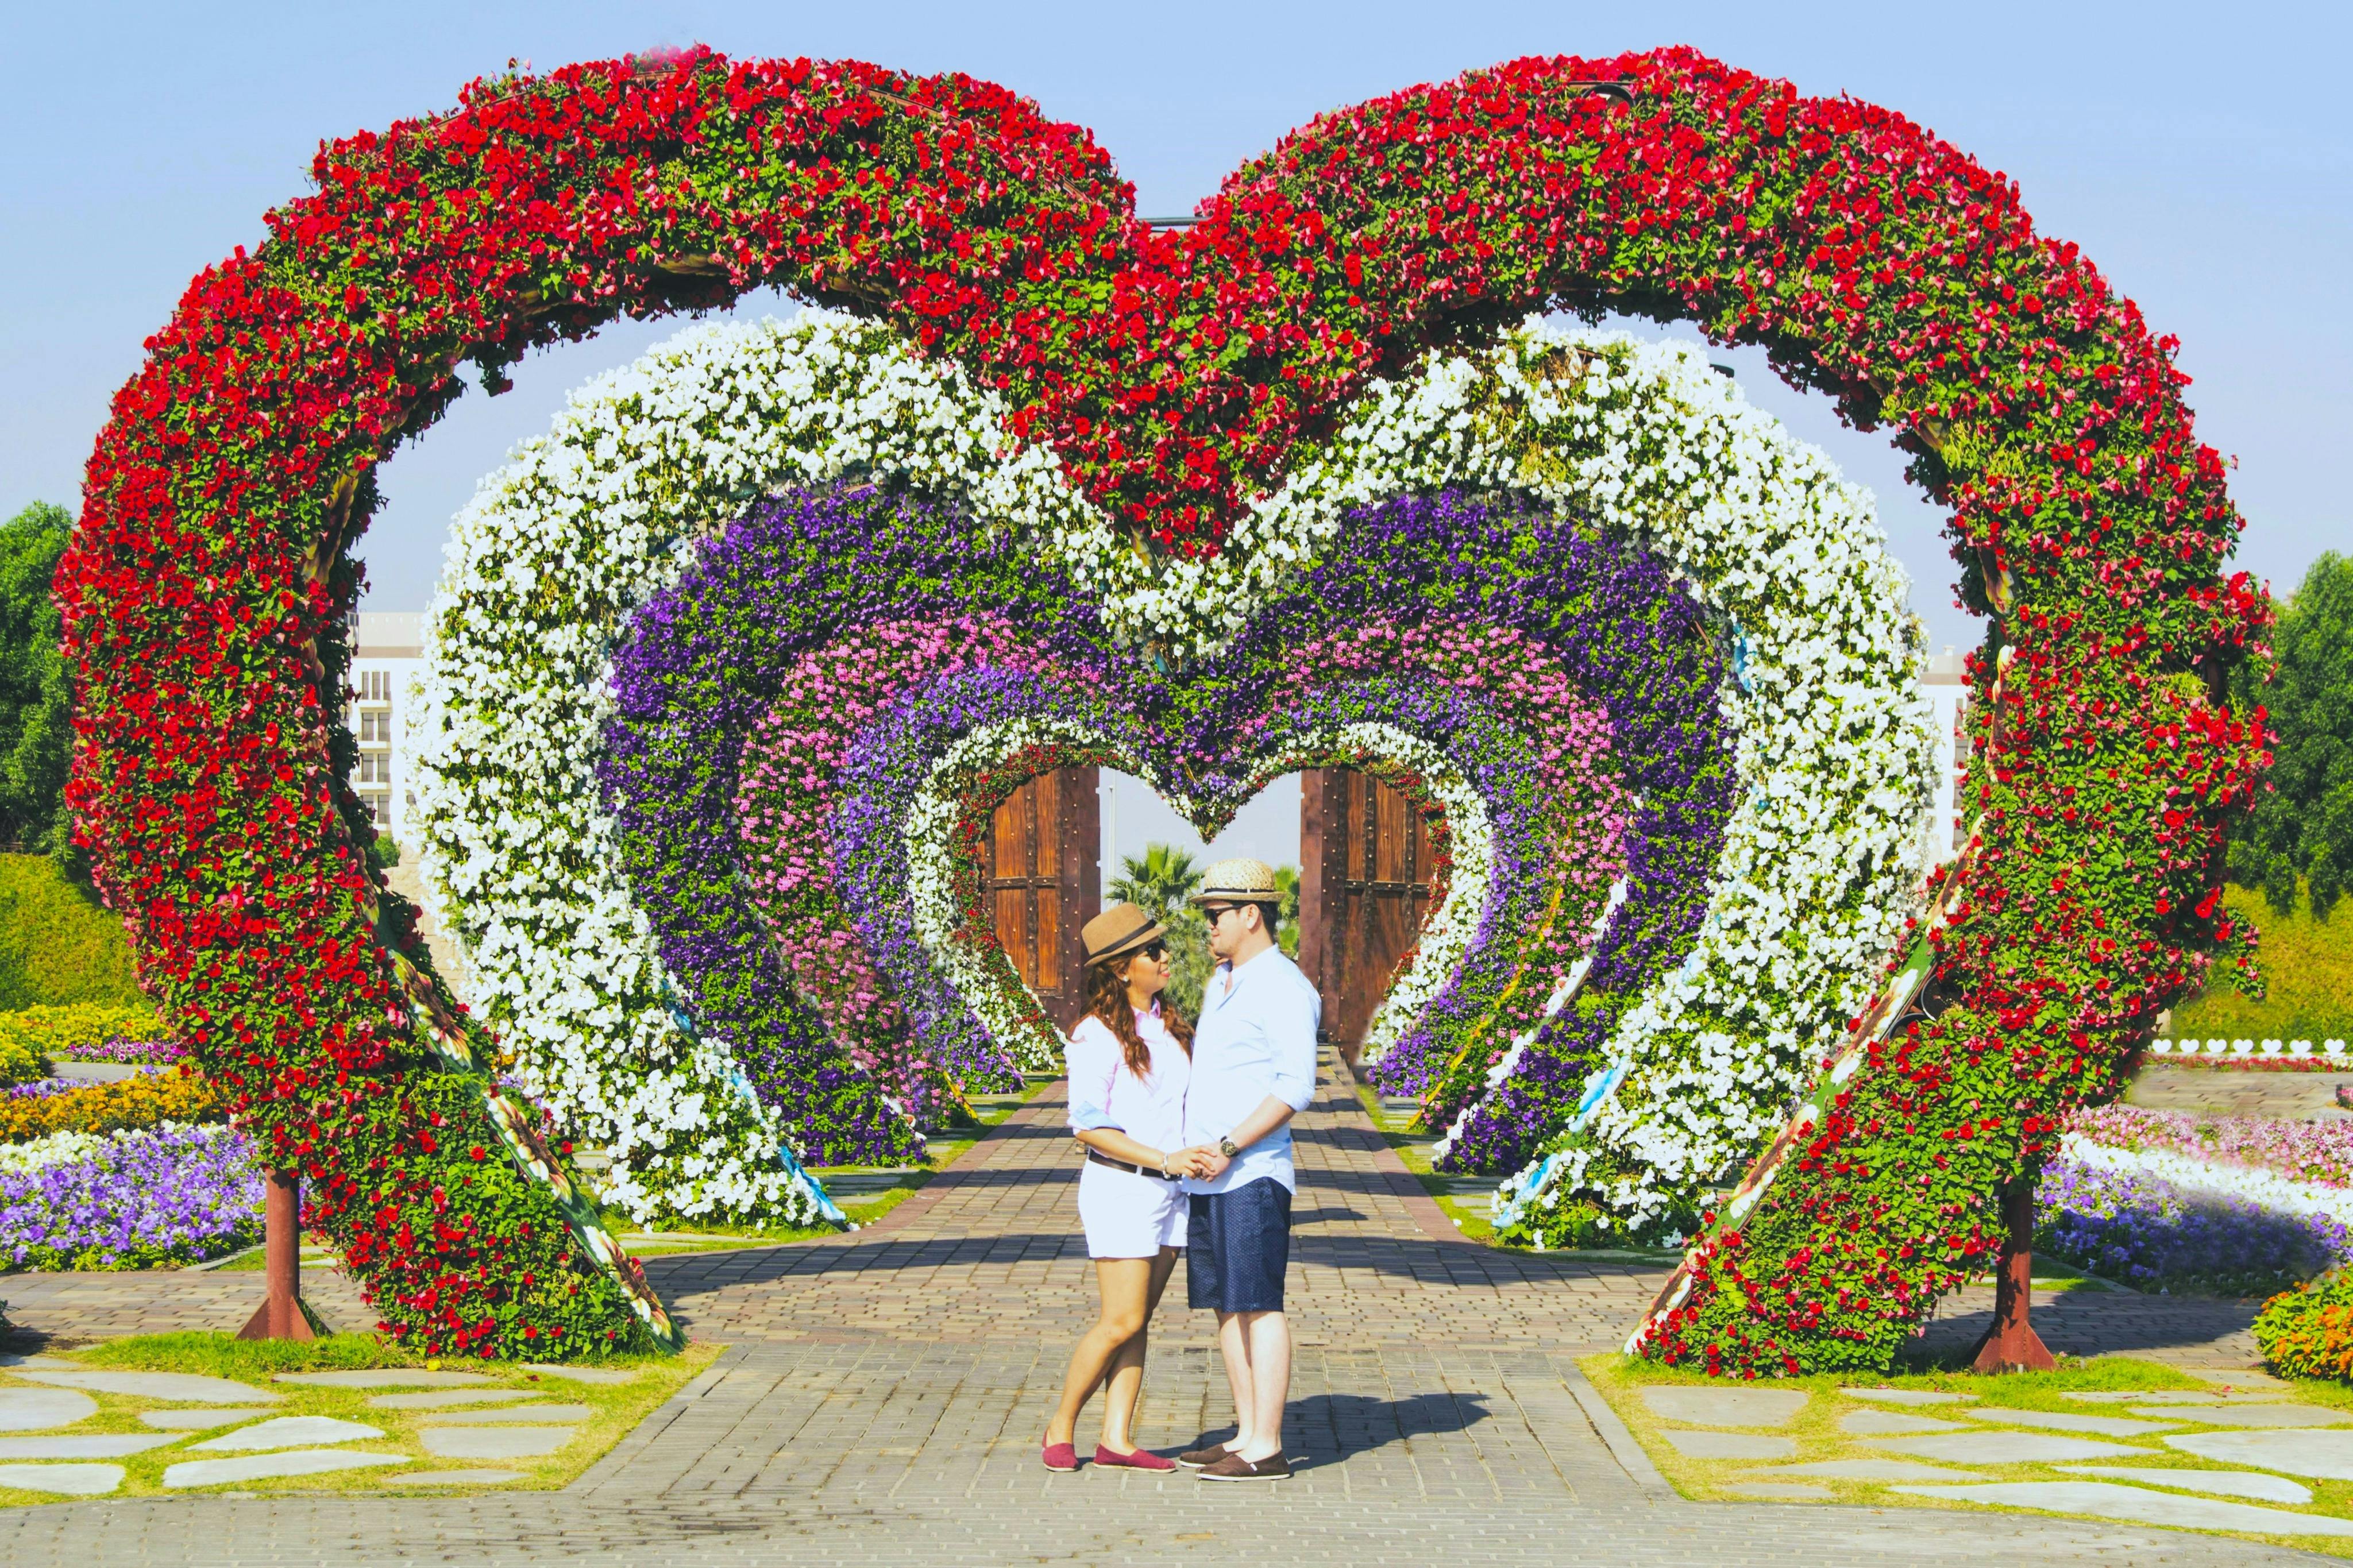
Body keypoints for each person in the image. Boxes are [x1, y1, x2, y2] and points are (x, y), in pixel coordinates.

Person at [1169, 858, 1321, 1482]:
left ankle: (1268, 1445)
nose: (1207, 928)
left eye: (1214, 916)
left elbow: (1295, 1087)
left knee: (1259, 1304)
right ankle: (1245, 1430)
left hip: (1252, 1170)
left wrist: (1229, 1146)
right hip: (1209, 1172)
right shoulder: (1223, 981)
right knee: (1226, 1305)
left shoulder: (1283, 985)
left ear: (1250, 915)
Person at [1042, 902, 1202, 1472]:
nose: (1165, 958)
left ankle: (1117, 1439)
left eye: (1162, 947)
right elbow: (1086, 1125)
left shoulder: (1170, 1023)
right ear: (1119, 968)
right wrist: (1165, 1157)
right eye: (1151, 951)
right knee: (1122, 1320)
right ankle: (1060, 1424)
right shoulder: (1095, 1035)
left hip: (1170, 1193)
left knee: (1136, 1318)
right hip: (1121, 1189)